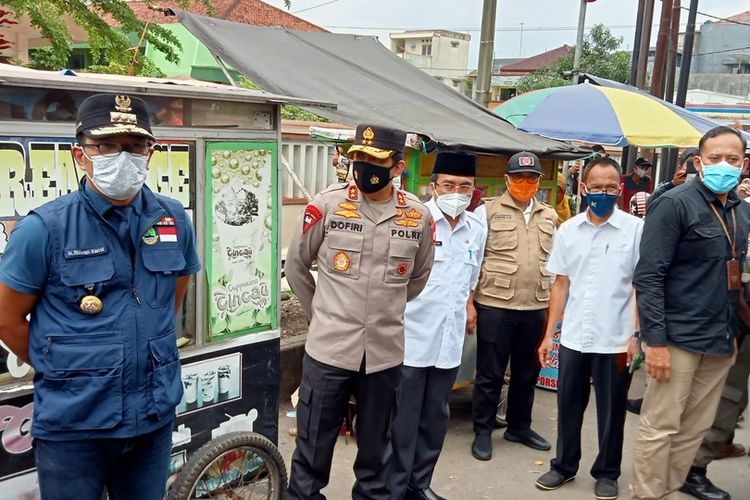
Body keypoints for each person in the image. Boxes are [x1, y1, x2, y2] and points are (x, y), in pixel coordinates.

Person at [0, 94, 201, 500]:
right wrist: (67, 367)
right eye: (106, 146)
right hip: (75, 427)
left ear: (151, 152)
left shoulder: (174, 219)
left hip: (152, 421)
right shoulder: (44, 230)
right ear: (80, 154)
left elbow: (170, 303)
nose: (121, 157)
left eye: (134, 146)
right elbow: (6, 319)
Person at [284, 124, 435, 500]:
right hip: (328, 350)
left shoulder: (417, 217)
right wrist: (321, 313)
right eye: (359, 158)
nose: (364, 166)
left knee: (377, 452)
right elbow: (297, 267)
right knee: (312, 447)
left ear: (398, 167)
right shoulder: (327, 204)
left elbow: (417, 278)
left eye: (375, 160)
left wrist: (384, 308)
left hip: (383, 356)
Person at [631, 126, 750, 500]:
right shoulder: (675, 203)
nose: (723, 166)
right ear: (699, 161)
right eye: (715, 158)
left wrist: (733, 338)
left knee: (694, 429)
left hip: (720, 338)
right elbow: (649, 276)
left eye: (732, 159)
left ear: (744, 164)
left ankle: (668, 489)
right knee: (660, 426)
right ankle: (646, 495)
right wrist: (655, 342)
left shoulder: (742, 213)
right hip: (677, 338)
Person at [535, 156, 643, 500]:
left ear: (620, 189)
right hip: (575, 337)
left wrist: (636, 335)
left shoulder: (636, 230)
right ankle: (564, 466)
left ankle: (607, 471)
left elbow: (642, 286)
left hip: (616, 338)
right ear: (583, 189)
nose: (603, 193)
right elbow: (561, 284)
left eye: (610, 188)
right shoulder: (569, 230)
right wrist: (550, 333)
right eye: (596, 187)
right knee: (568, 404)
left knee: (612, 410)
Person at [391, 152, 486, 500]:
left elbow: (469, 280)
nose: (456, 192)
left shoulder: (476, 228)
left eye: (465, 186)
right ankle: (396, 487)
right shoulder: (415, 221)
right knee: (403, 419)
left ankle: (420, 483)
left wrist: (469, 304)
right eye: (449, 184)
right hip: (411, 339)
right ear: (433, 186)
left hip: (449, 342)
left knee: (435, 418)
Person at [470, 151, 557, 461]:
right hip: (495, 304)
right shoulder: (487, 211)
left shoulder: (549, 215)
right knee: (490, 373)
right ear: (506, 179)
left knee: (526, 373)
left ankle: (519, 426)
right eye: (518, 177)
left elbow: (555, 264)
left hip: (535, 305)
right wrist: (470, 303)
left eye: (531, 177)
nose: (525, 182)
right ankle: (482, 429)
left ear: (539, 181)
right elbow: (473, 260)